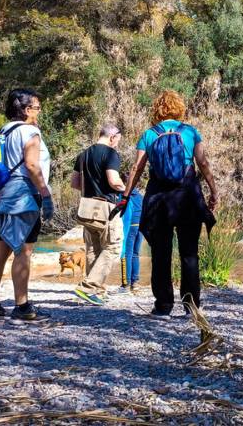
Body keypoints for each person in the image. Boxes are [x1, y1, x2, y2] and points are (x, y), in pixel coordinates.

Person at [123, 90, 218, 318]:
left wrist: (126, 196)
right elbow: (203, 163)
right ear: (179, 108)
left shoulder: (149, 134)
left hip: (159, 199)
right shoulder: (191, 132)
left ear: (157, 110)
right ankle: (191, 306)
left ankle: (163, 306)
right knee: (189, 253)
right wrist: (214, 191)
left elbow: (136, 168)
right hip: (187, 197)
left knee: (161, 254)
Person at [0, 89, 54, 322]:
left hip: (1, 196)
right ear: (26, 110)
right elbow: (32, 165)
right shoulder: (30, 131)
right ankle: (22, 307)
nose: (39, 112)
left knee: (0, 250)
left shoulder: (4, 131)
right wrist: (46, 194)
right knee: (24, 251)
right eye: (37, 107)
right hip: (23, 197)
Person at [71, 124, 126, 305]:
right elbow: (113, 180)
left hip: (86, 206)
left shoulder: (83, 154)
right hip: (106, 207)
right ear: (112, 136)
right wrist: (126, 189)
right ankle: (87, 287)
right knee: (113, 246)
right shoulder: (110, 154)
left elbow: (75, 183)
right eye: (118, 139)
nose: (117, 143)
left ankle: (97, 291)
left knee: (93, 248)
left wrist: (92, 189)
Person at [116, 185, 144, 294]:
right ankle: (135, 283)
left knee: (127, 253)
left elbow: (121, 212)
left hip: (130, 227)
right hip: (140, 226)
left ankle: (125, 284)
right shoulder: (139, 196)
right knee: (135, 254)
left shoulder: (124, 195)